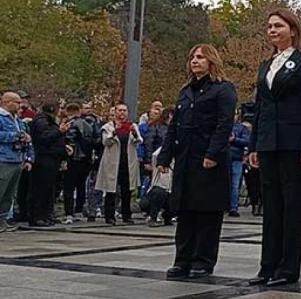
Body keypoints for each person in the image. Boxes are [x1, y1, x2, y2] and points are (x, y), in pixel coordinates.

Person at [247, 8, 301, 287]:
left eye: (278, 26)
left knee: (292, 206)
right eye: (269, 26)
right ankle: (268, 266)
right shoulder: (265, 66)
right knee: (272, 206)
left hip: (294, 144)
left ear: (292, 30)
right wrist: (254, 144)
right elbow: (260, 108)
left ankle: (288, 268)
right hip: (268, 143)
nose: (272, 30)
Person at [158, 44, 237, 279]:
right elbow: (174, 126)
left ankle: (202, 261)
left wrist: (212, 154)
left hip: (209, 159)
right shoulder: (186, 91)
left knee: (207, 212)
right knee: (185, 210)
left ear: (211, 61)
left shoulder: (223, 89)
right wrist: (165, 155)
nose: (195, 61)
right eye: (193, 57)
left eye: (201, 57)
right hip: (186, 159)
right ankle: (182, 259)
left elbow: (224, 124)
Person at [96, 103, 143, 225]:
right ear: (115, 112)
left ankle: (126, 215)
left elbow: (139, 141)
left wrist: (134, 133)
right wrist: (114, 132)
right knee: (110, 190)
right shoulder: (108, 127)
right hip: (112, 162)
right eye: (120, 110)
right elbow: (105, 142)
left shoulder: (132, 126)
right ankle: (109, 216)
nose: (122, 113)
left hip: (127, 162)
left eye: (124, 111)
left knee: (127, 190)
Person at [0, 92, 33, 232]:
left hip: (17, 159)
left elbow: (27, 139)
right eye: (17, 102)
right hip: (3, 159)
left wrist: (28, 157)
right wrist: (15, 136)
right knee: (1, 191)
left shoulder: (18, 120)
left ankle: (3, 221)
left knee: (9, 194)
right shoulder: (1, 118)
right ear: (7, 102)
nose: (21, 105)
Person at [29, 102, 66, 227]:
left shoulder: (49, 121)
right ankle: (37, 216)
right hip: (44, 158)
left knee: (50, 188)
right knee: (41, 188)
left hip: (53, 157)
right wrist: (59, 131)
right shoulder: (42, 121)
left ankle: (46, 214)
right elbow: (44, 138)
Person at [62, 103, 95, 224]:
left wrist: (65, 157)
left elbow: (70, 141)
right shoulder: (89, 125)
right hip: (86, 159)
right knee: (81, 186)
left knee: (69, 187)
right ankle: (79, 211)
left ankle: (69, 213)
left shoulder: (71, 125)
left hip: (74, 158)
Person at [228, 110, 250, 217]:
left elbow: (247, 141)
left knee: (235, 184)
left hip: (236, 158)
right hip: (224, 158)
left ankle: (233, 207)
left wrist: (234, 140)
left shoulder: (242, 128)